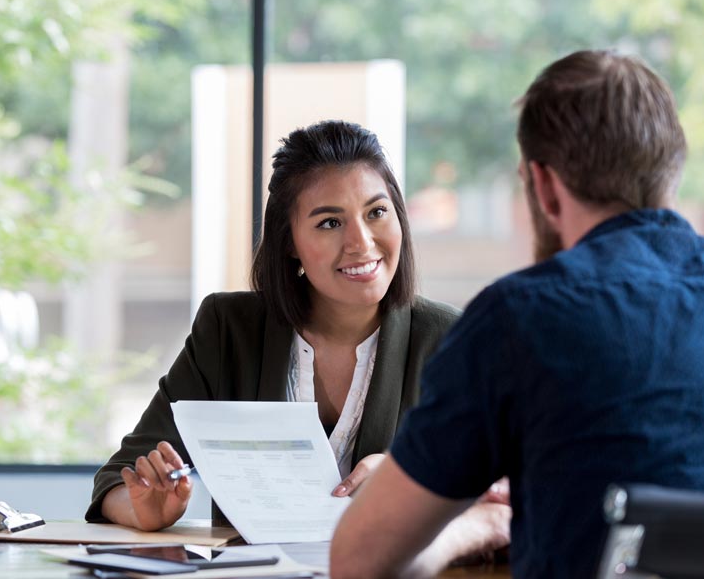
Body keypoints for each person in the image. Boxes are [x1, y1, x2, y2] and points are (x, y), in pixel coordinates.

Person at [330, 50, 704, 579]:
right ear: (672, 170)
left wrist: (476, 526)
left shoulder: (519, 320)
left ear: (544, 186)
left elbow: (358, 561)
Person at [85, 120, 460, 531]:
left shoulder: (448, 341)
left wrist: (412, 480)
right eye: (330, 223)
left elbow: (505, 489)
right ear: (289, 242)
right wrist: (142, 509)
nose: (362, 242)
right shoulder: (228, 330)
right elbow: (118, 478)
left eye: (377, 212)